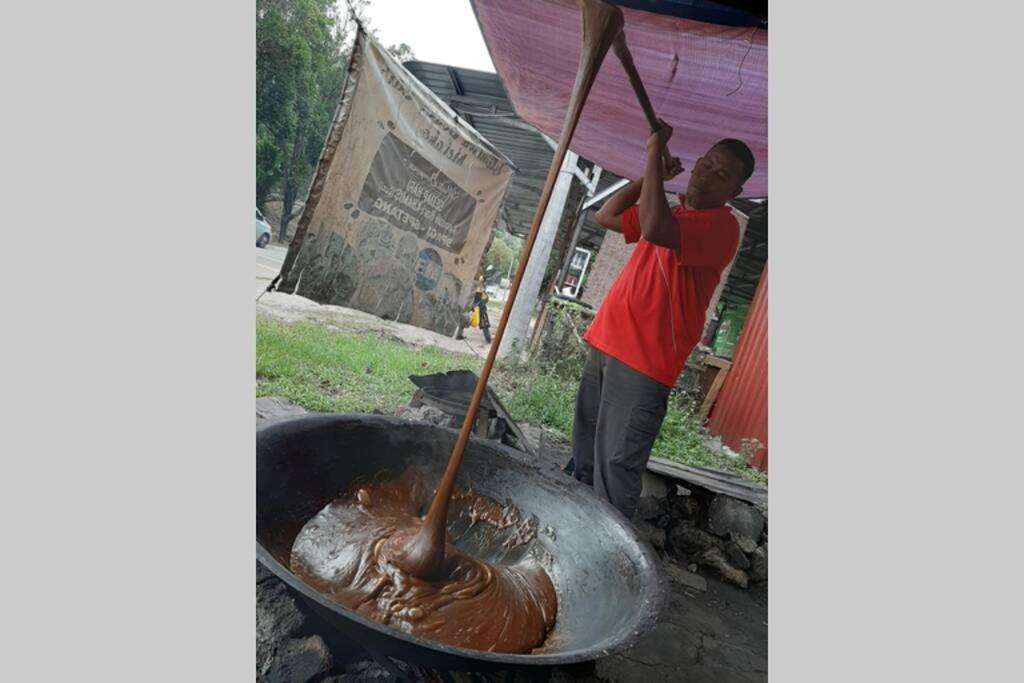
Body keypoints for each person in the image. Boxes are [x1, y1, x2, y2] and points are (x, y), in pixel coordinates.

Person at [570, 120, 755, 519]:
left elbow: (653, 227)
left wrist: (654, 152)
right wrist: (646, 176)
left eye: (720, 175)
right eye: (705, 164)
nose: (705, 176)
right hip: (608, 342)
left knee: (615, 472)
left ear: (734, 192)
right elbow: (607, 215)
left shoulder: (722, 227)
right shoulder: (674, 212)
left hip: (644, 363)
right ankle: (574, 537)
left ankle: (613, 566)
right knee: (584, 456)